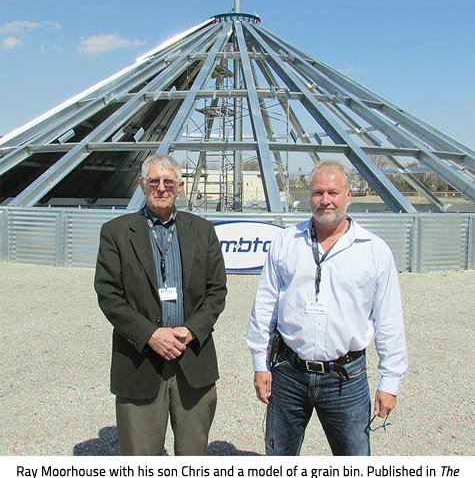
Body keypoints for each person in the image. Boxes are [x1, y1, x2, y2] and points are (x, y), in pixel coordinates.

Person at [247, 159, 408, 456]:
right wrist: (260, 364)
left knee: (353, 454)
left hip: (345, 378)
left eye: (333, 192)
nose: (325, 200)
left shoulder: (374, 251)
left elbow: (389, 321)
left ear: (349, 195)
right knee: (279, 454)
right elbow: (265, 306)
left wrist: (391, 380)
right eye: (318, 193)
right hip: (288, 372)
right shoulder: (286, 242)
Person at [95, 152, 227, 456]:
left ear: (180, 187)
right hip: (140, 362)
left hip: (192, 359)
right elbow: (109, 295)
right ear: (142, 185)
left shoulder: (202, 230)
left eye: (169, 181)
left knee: (193, 452)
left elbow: (216, 290)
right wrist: (151, 335)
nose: (161, 187)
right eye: (154, 181)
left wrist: (192, 330)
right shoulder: (116, 233)